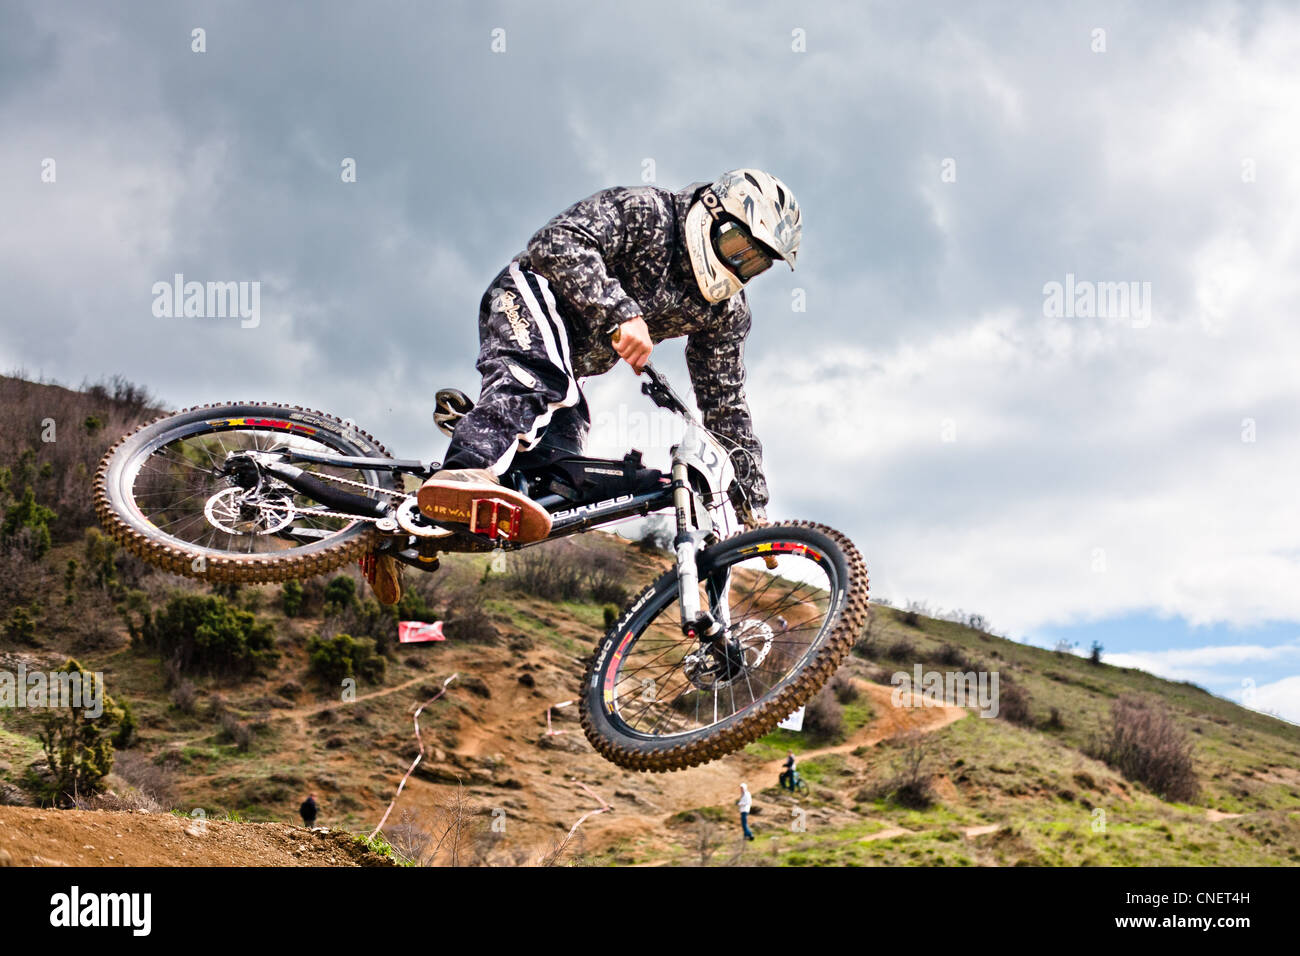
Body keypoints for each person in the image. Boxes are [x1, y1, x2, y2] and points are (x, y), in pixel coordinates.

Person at [362, 170, 802, 604]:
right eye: (737, 246)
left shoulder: (725, 312)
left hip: (568, 366)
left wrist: (751, 504)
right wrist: (620, 312)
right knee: (541, 378)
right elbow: (555, 242)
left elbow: (725, 402)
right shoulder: (647, 212)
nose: (738, 264)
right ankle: (464, 466)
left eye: (755, 262)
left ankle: (399, 533)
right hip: (529, 294)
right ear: (712, 213)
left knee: (555, 478)